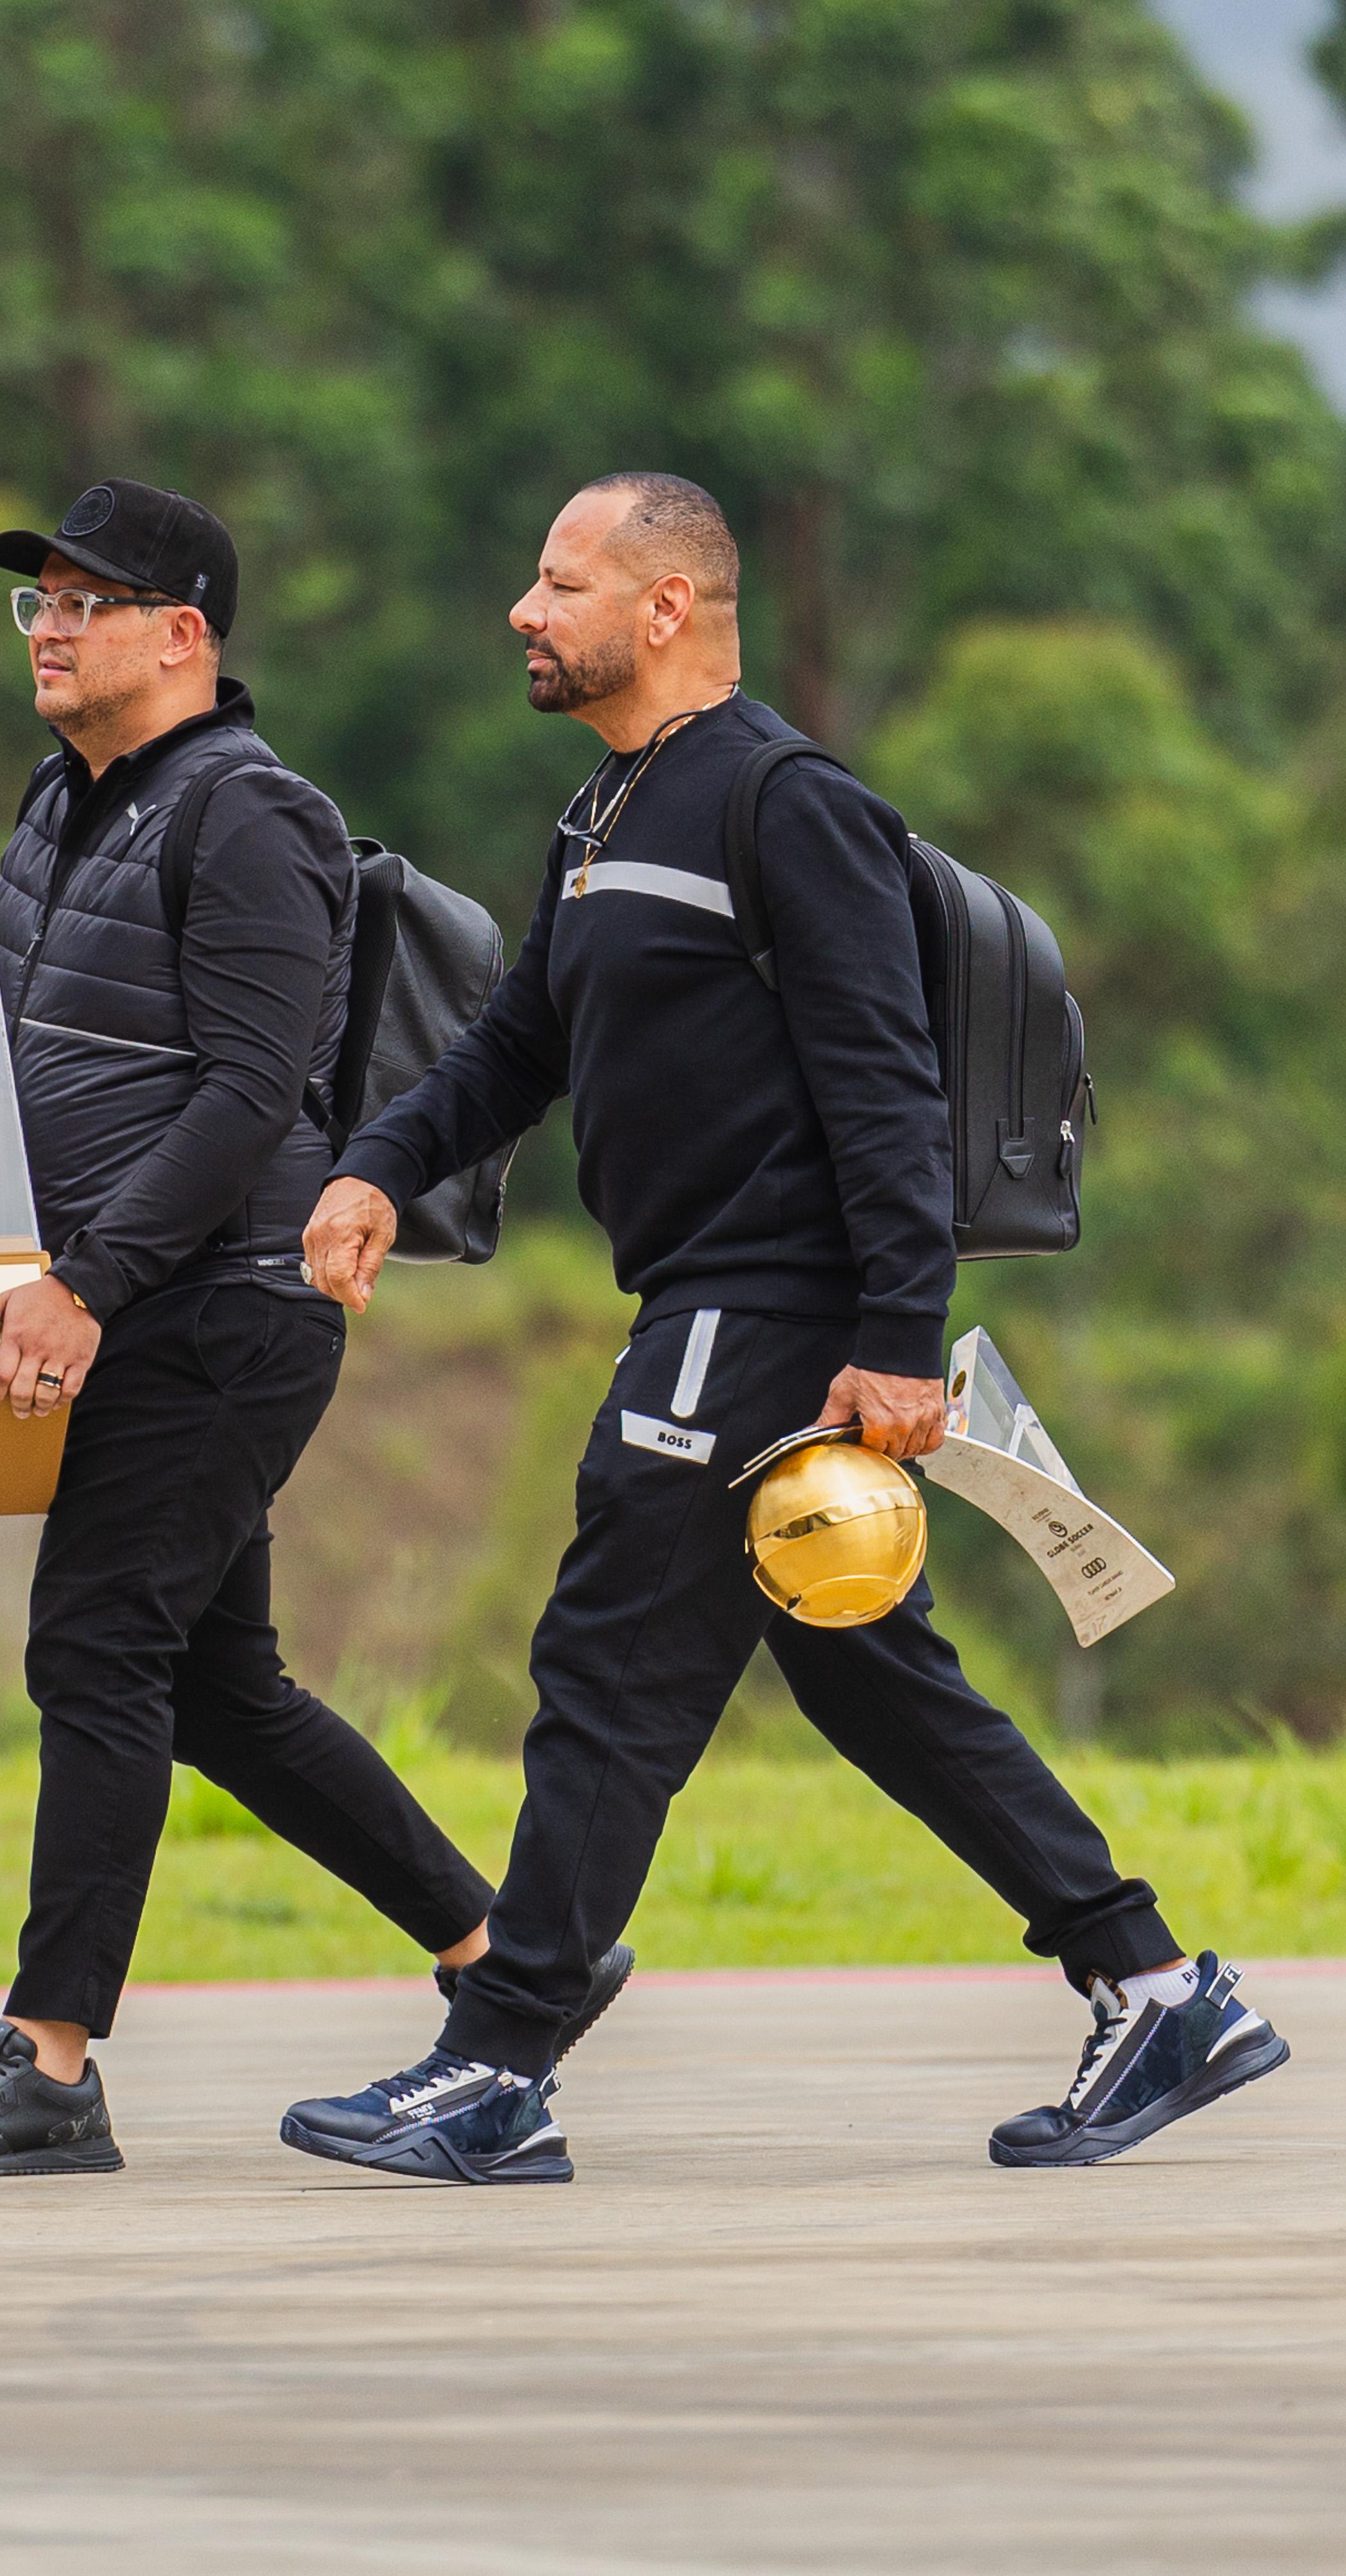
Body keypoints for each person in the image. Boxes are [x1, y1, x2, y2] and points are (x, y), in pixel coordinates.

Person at [279, 471, 1289, 2186]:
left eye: (558, 581)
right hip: (713, 1298)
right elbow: (516, 1043)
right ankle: (1151, 1984)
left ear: (664, 605)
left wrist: (898, 1334)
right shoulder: (605, 815)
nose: (524, 612)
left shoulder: (780, 802)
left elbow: (881, 1083)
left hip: (770, 1305)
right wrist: (379, 1163)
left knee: (608, 1661)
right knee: (865, 1672)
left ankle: (499, 2063)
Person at [0, 476, 630, 2177]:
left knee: (93, 1647)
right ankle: (509, 1961)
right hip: (137, 1289)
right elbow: (18, 1059)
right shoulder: (58, 810)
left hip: (222, 1299)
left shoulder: (254, 814)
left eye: (85, 600)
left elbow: (247, 1092)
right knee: (214, 1682)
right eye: (36, 603)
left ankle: (48, 2060)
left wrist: (87, 1285)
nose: (48, 630)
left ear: (182, 632)